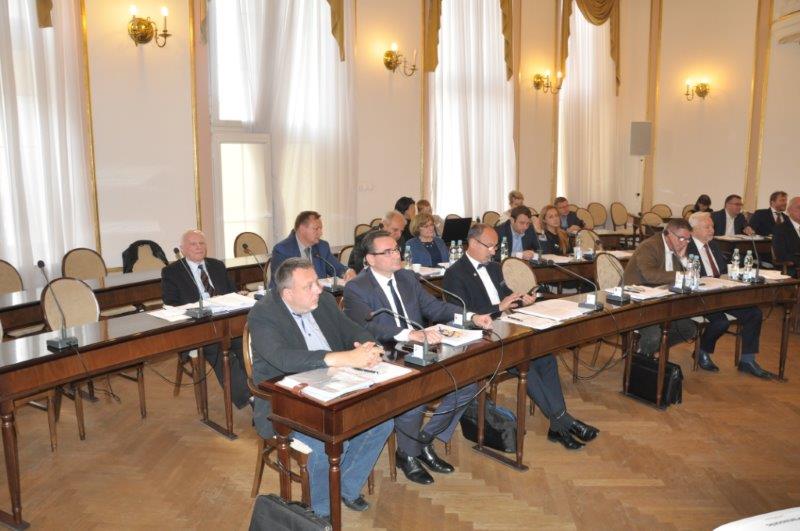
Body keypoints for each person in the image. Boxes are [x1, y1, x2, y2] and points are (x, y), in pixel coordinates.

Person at [343, 231, 493, 485]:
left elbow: (434, 307)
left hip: (418, 348)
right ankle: (407, 454)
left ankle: (423, 438)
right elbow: (369, 326)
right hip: (383, 355)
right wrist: (409, 333)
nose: (396, 255)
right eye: (388, 252)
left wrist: (471, 316)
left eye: (396, 249)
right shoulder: (356, 287)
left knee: (468, 383)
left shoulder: (407, 277)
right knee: (416, 395)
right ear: (370, 259)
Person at [248, 258, 393, 518]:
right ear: (287, 294)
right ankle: (321, 511)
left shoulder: (323, 301)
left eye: (317, 282)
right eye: (309, 286)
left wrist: (370, 348)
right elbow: (282, 358)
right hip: (287, 401)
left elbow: (352, 330)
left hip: (335, 386)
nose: (319, 289)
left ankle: (345, 487)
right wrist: (341, 358)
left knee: (382, 422)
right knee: (327, 441)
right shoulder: (263, 313)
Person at [442, 224, 600, 450]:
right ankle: (563, 422)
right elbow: (461, 316)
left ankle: (559, 425)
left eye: (496, 246)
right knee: (526, 364)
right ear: (473, 243)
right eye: (490, 246)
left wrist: (521, 299)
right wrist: (499, 307)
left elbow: (506, 296)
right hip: (481, 340)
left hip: (508, 329)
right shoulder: (455, 274)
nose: (494, 251)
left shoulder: (494, 267)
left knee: (546, 358)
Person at [161, 229, 251, 409]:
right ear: (182, 249)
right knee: (220, 351)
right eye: (193, 244)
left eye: (202, 243)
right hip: (198, 327)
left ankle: (260, 394)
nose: (198, 247)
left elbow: (232, 293)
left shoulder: (217, 265)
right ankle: (249, 399)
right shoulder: (172, 271)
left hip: (226, 322)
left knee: (246, 347)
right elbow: (171, 304)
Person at [686, 212, 773, 379]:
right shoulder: (687, 247)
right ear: (693, 230)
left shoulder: (714, 245)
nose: (712, 230)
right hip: (700, 297)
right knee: (721, 322)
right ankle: (702, 351)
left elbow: (723, 270)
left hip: (723, 294)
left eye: (712, 226)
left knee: (754, 313)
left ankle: (747, 360)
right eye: (707, 227)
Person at [622, 220, 697, 356]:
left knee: (688, 329)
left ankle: (647, 353)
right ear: (668, 234)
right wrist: (682, 274)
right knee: (654, 336)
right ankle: (642, 357)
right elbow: (650, 275)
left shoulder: (676, 248)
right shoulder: (649, 246)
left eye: (688, 240)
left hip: (661, 302)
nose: (684, 243)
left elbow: (685, 276)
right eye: (681, 239)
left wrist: (682, 259)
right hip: (637, 302)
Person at [270, 211, 356, 288]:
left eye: (321, 229)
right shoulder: (282, 250)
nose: (320, 233)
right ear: (301, 229)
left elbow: (336, 268)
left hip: (319, 295)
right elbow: (281, 282)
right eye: (316, 229)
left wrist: (347, 272)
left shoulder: (322, 246)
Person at [772, 196, 800, 277]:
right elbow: (781, 255)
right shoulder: (780, 229)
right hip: (792, 268)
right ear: (789, 210)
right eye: (799, 207)